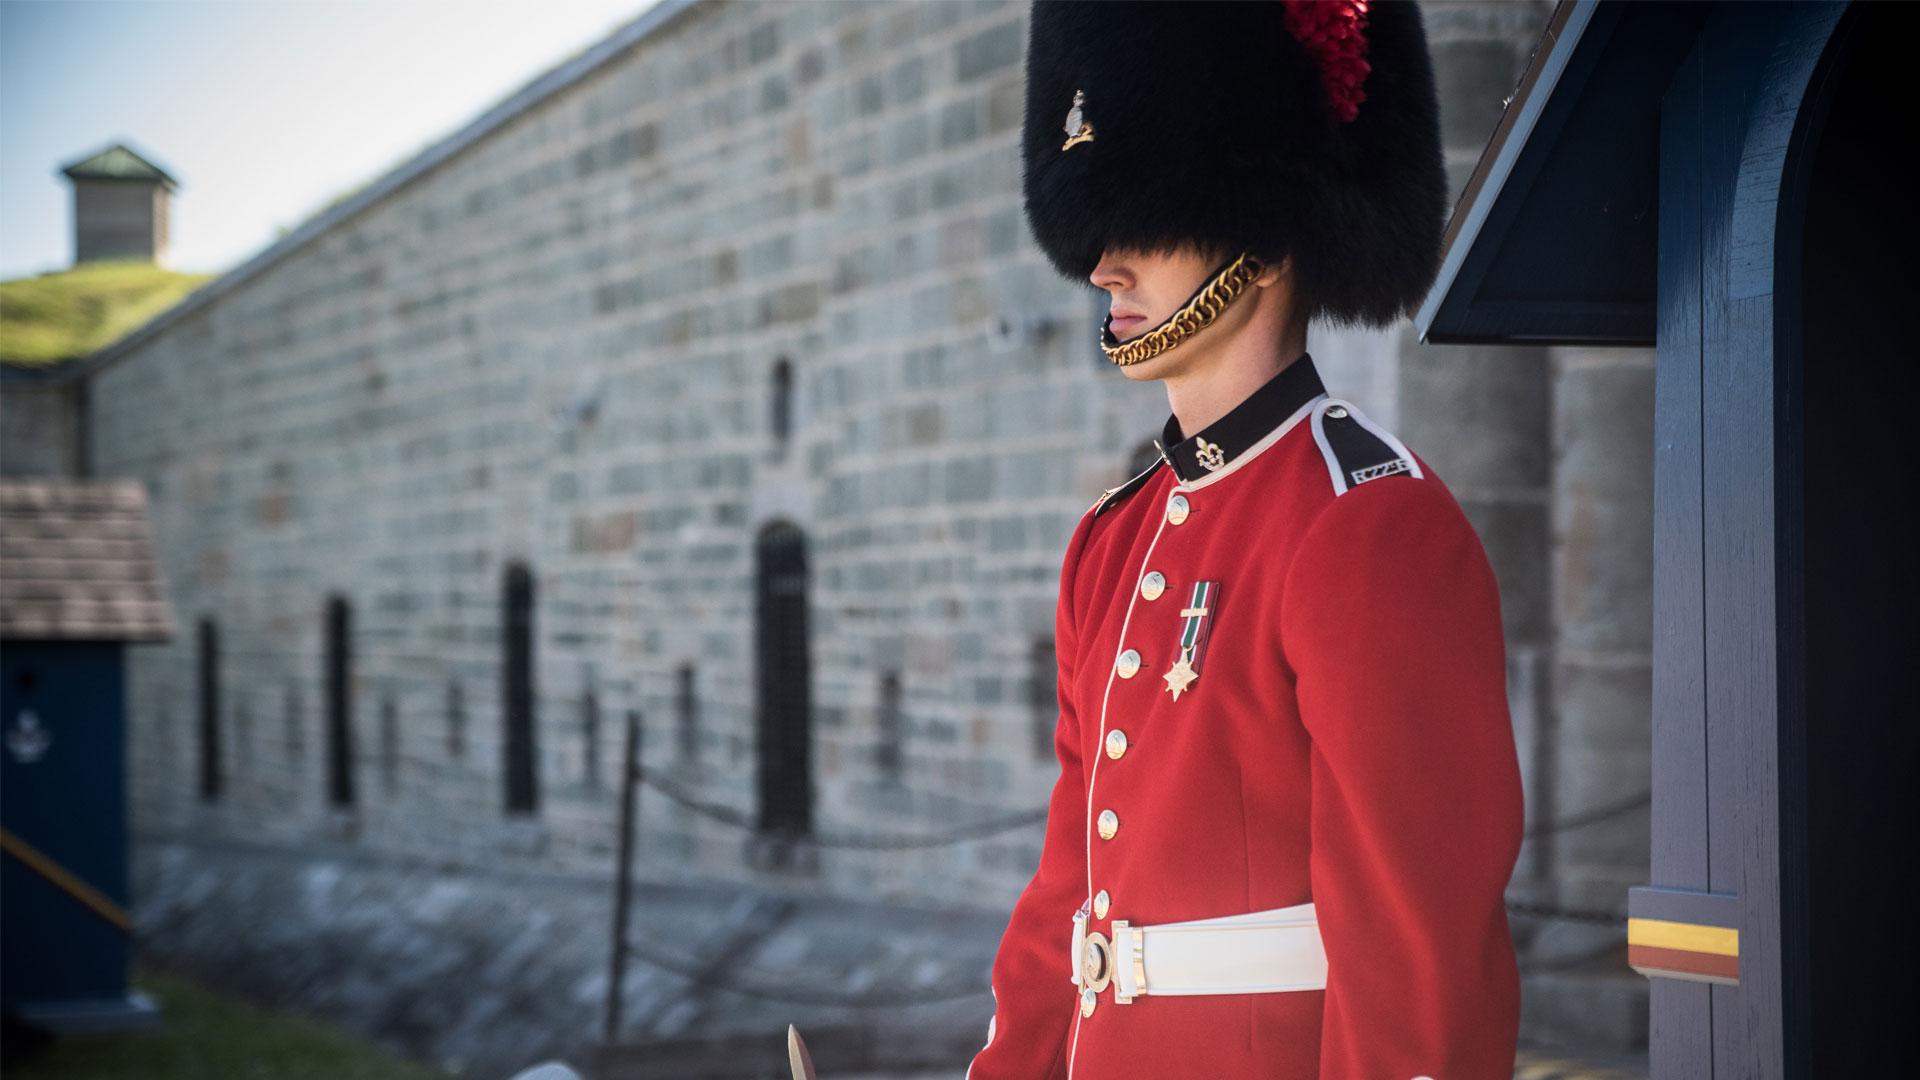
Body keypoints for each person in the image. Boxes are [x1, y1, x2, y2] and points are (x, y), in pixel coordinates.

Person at [965, 2, 1526, 1078]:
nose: (1104, 269)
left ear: (1261, 242)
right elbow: (1068, 899)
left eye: (1146, 222)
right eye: (1100, 228)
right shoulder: (1108, 546)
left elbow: (1421, 962)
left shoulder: (1367, 525)